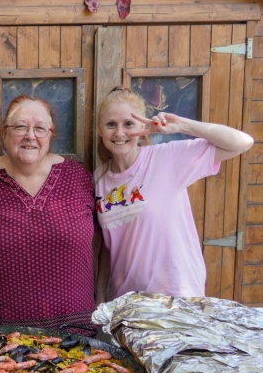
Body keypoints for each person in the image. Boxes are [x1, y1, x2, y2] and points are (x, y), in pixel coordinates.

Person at [93, 87, 253, 301]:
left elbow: (242, 142)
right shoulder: (99, 179)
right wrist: (100, 294)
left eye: (128, 124)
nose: (119, 133)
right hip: (128, 303)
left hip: (177, 297)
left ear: (143, 126)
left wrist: (183, 125)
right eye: (111, 124)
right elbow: (108, 243)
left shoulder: (166, 158)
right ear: (100, 129)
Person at [0, 95, 97, 328]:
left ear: (51, 135)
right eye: (20, 127)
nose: (30, 136)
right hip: (3, 336)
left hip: (77, 332)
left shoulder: (79, 178)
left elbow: (100, 242)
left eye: (40, 128)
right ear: (4, 133)